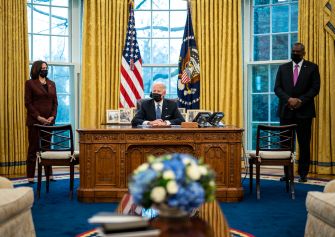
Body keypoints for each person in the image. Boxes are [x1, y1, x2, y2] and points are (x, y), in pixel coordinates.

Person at [274, 42, 320, 183]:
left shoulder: (312, 67)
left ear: (304, 53)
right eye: (293, 51)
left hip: (304, 112)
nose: (295, 54)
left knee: (304, 143)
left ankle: (303, 174)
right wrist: (289, 99)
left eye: (298, 52)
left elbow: (315, 88)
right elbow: (277, 88)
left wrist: (300, 100)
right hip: (286, 111)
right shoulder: (283, 68)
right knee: (285, 144)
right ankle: (287, 174)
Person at [25, 60, 58, 183]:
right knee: (33, 148)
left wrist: (52, 117)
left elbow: (55, 103)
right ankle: (30, 177)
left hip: (49, 122)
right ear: (37, 69)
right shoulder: (30, 83)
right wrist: (38, 117)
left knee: (47, 149)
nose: (45, 69)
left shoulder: (52, 83)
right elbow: (28, 103)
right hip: (35, 121)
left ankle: (49, 175)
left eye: (46, 68)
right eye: (43, 68)